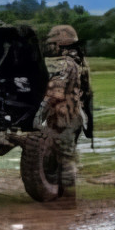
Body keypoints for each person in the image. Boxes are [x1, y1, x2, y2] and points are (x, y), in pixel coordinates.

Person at [33, 25, 92, 203]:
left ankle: (68, 200)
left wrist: (39, 114)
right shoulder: (80, 62)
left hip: (63, 118)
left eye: (52, 43)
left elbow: (55, 92)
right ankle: (63, 196)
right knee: (64, 156)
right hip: (74, 116)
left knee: (65, 160)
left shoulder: (65, 64)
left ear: (61, 43)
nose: (49, 47)